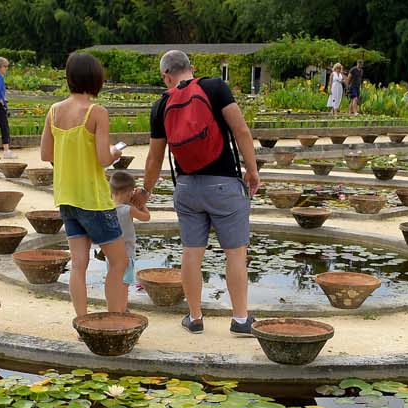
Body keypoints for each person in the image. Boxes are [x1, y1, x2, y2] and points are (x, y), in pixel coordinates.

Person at [142, 49, 260, 335]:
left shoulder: (161, 105)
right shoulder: (215, 87)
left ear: (165, 76)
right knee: (234, 253)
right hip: (224, 185)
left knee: (192, 253)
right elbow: (241, 130)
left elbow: (155, 157)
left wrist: (145, 192)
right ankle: (241, 319)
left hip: (186, 187)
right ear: (191, 67)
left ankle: (195, 318)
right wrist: (252, 170)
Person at [40, 52, 129, 319]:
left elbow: (46, 154)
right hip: (94, 200)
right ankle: (115, 319)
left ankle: (81, 320)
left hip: (67, 198)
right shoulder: (96, 112)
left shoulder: (54, 111)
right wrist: (115, 152)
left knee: (79, 264)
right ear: (95, 78)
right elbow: (103, 159)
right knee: (120, 261)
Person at [110, 171, 151, 287]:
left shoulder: (107, 208)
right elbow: (146, 217)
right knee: (124, 284)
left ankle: (114, 303)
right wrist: (142, 203)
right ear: (129, 193)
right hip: (127, 253)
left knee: (114, 281)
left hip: (110, 253)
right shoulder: (129, 210)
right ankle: (122, 305)